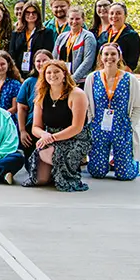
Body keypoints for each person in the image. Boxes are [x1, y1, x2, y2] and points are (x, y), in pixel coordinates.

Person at [24, 59, 92, 192]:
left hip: (75, 137)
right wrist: (44, 134)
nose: (52, 75)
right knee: (41, 180)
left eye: (56, 72)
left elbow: (77, 127)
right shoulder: (41, 96)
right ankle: (54, 172)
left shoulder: (77, 94)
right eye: (48, 72)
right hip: (50, 136)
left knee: (52, 153)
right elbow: (35, 127)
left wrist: (52, 138)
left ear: (64, 74)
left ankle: (68, 171)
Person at [86, 43, 140, 181]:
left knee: (125, 175)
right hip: (99, 126)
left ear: (119, 57)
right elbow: (87, 104)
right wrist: (91, 123)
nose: (109, 57)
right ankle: (107, 162)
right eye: (106, 54)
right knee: (97, 172)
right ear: (101, 57)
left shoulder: (129, 79)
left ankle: (131, 164)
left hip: (122, 126)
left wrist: (130, 125)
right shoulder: (93, 78)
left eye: (113, 54)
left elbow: (137, 106)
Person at [17, 50, 54, 159]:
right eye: (38, 61)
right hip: (32, 128)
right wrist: (22, 131)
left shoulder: (57, 80)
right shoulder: (29, 82)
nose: (41, 63)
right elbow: (22, 108)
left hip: (53, 128)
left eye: (44, 60)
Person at [9, 0, 56, 76]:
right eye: (28, 12)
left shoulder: (47, 32)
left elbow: (47, 54)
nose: (31, 15)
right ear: (24, 14)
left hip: (39, 72)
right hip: (19, 73)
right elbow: (12, 54)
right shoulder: (16, 33)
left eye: (34, 12)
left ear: (38, 14)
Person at [53, 6, 96, 85]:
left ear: (83, 20)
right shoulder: (61, 37)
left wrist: (73, 79)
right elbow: (54, 57)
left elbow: (88, 61)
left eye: (77, 19)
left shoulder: (88, 36)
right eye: (71, 18)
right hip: (62, 80)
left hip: (80, 81)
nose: (74, 21)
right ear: (67, 20)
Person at [96, 3, 140, 72]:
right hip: (102, 75)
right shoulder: (103, 36)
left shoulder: (131, 36)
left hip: (122, 75)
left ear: (125, 16)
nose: (114, 16)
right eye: (111, 13)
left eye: (118, 13)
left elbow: (132, 63)